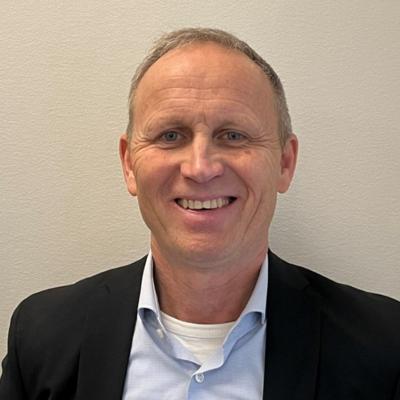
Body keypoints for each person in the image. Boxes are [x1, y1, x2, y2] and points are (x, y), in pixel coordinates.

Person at [0, 27, 399, 400]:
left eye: (233, 135)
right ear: (129, 164)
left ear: (284, 163)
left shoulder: (384, 346)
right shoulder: (42, 337)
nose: (200, 168)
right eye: (170, 135)